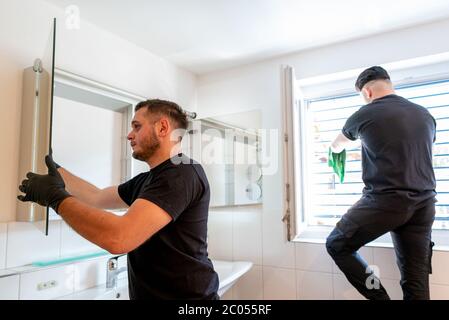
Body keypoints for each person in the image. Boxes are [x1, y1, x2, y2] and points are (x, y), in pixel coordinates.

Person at [17, 99, 220, 300]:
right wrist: (54, 168)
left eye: (137, 126)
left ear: (162, 127)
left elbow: (119, 238)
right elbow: (95, 197)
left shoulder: (181, 173)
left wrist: (55, 198)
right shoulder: (148, 180)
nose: (129, 135)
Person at [325, 66, 437, 300]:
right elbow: (401, 151)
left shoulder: (365, 114)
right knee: (415, 278)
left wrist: (333, 152)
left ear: (367, 92)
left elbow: (337, 145)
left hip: (386, 201)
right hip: (424, 205)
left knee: (337, 244)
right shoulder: (425, 115)